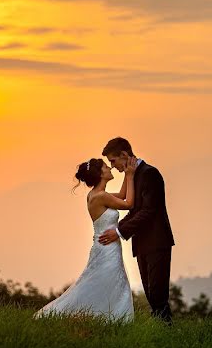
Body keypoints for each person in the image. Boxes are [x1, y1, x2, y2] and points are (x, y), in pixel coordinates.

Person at [34, 156, 138, 321]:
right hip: (107, 248)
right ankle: (113, 318)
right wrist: (131, 176)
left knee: (105, 282)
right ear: (100, 174)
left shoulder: (97, 194)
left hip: (105, 245)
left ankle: (108, 317)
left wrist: (126, 173)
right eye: (105, 167)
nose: (109, 169)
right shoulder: (100, 197)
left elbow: (122, 194)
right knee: (109, 282)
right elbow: (129, 203)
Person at [98, 137, 175, 324]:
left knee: (158, 294)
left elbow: (148, 211)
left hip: (157, 242)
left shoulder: (150, 174)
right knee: (150, 293)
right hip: (142, 243)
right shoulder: (132, 175)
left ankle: (167, 331)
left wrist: (118, 231)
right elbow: (134, 209)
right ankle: (162, 332)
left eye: (113, 161)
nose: (113, 166)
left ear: (124, 155)